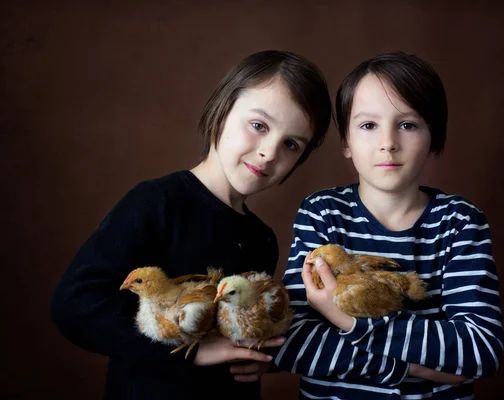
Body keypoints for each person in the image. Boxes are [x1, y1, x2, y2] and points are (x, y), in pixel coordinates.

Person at [50, 50, 332, 400]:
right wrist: (191, 351)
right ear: (221, 111)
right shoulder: (157, 203)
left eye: (290, 144)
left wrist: (260, 358)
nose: (270, 153)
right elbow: (74, 304)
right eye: (258, 126)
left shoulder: (262, 239)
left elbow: (241, 332)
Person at [274, 52, 504, 399]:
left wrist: (347, 321)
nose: (388, 143)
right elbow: (291, 339)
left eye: (408, 125)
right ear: (346, 142)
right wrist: (409, 368)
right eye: (368, 125)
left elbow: (479, 350)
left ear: (434, 139)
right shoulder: (322, 214)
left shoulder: (459, 222)